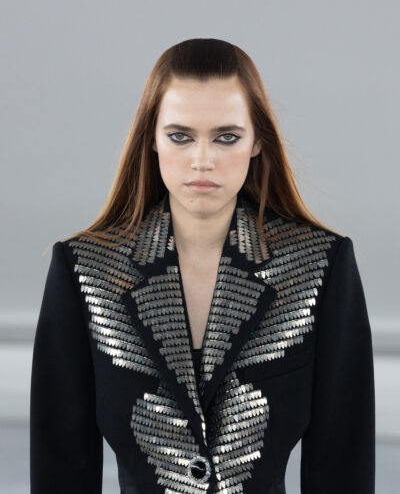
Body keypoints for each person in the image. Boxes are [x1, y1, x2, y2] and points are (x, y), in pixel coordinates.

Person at [30, 38, 375, 494]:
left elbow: (343, 463)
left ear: (257, 142)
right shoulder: (86, 271)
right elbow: (60, 467)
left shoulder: (317, 267)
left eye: (227, 137)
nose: (202, 160)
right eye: (180, 136)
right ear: (151, 139)